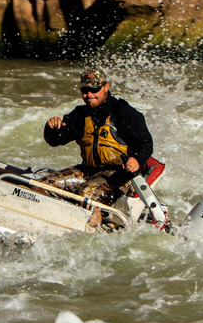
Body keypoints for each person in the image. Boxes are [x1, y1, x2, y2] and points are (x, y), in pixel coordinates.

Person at [41, 67, 153, 223]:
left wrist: (137, 159)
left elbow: (145, 143)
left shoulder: (125, 113)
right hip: (88, 171)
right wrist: (51, 128)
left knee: (86, 195)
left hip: (120, 176)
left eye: (94, 90)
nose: (89, 95)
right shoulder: (79, 115)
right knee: (42, 186)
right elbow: (57, 140)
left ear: (106, 87)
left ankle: (92, 230)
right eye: (85, 91)